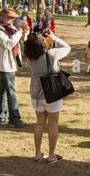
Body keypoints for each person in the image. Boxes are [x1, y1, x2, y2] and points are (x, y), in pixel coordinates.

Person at [25, 30, 71, 163]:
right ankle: (51, 155)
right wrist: (53, 37)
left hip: (36, 94)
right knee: (53, 125)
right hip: (52, 93)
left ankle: (37, 153)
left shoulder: (30, 58)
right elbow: (67, 47)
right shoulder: (51, 54)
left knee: (39, 124)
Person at [0, 8, 29, 127]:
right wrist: (19, 32)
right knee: (11, 92)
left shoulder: (12, 29)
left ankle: (1, 117)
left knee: (3, 91)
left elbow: (22, 40)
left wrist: (25, 31)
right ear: (3, 18)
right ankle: (14, 118)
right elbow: (9, 44)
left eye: (13, 18)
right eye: (9, 18)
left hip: (10, 63)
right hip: (5, 64)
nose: (12, 20)